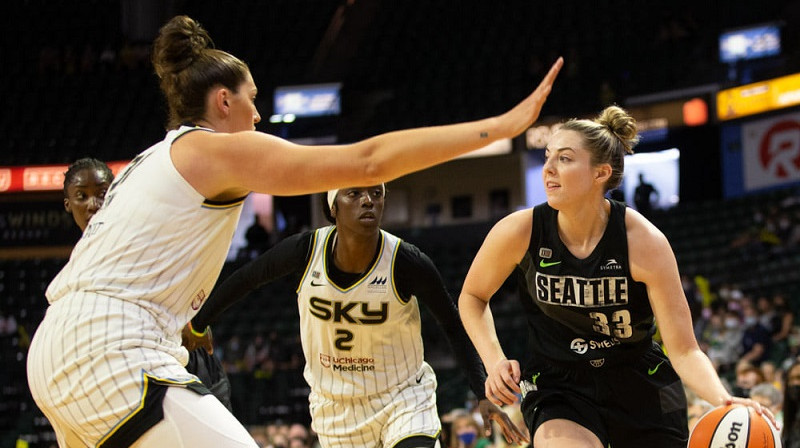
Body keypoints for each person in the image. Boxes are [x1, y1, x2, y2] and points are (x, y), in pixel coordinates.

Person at [25, 14, 563, 448]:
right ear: (223, 102)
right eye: (253, 99)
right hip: (113, 349)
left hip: (59, 348)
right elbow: (369, 161)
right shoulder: (213, 149)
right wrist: (503, 125)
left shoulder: (152, 158)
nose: (258, 116)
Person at [457, 106, 775, 448]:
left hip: (638, 379)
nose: (548, 168)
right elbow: (472, 296)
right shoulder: (519, 231)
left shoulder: (645, 243)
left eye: (564, 159)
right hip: (559, 384)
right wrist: (495, 360)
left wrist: (723, 398)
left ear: (600, 173)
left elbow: (683, 350)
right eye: (547, 156)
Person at [186, 186, 528, 448]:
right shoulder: (305, 251)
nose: (368, 200)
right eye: (355, 193)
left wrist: (480, 390)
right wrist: (199, 323)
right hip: (336, 406)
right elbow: (246, 279)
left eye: (376, 193)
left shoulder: (406, 261)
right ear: (334, 206)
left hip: (401, 396)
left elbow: (452, 325)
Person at [63, 157, 236, 413]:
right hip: (133, 372)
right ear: (68, 204)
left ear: (115, 195)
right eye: (82, 196)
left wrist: (195, 321)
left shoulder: (146, 233)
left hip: (185, 358)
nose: (93, 205)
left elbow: (195, 273)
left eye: (102, 194)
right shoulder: (77, 268)